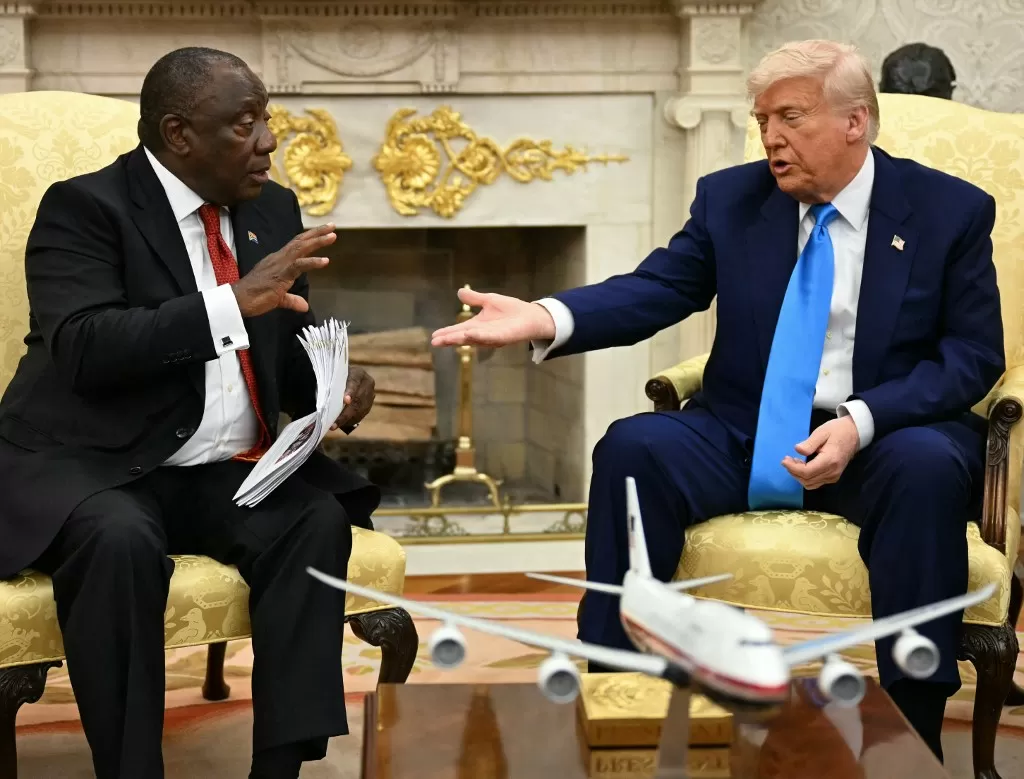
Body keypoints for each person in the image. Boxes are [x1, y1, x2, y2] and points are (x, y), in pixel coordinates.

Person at [430, 39, 1004, 760]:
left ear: (855, 121)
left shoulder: (948, 212)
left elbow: (972, 355)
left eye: (791, 117)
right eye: (762, 119)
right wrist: (545, 316)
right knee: (635, 447)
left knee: (927, 469)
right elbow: (657, 288)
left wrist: (861, 421)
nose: (771, 137)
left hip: (883, 434)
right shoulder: (732, 199)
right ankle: (620, 705)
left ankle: (908, 737)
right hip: (743, 427)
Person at [0, 47, 380, 778]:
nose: (269, 139)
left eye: (266, 118)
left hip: (216, 469)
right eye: (245, 123)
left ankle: (279, 768)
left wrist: (333, 384)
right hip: (95, 463)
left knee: (314, 519)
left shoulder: (272, 208)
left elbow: (282, 348)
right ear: (179, 134)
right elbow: (84, 346)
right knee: (119, 541)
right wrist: (231, 303)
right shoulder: (85, 208)